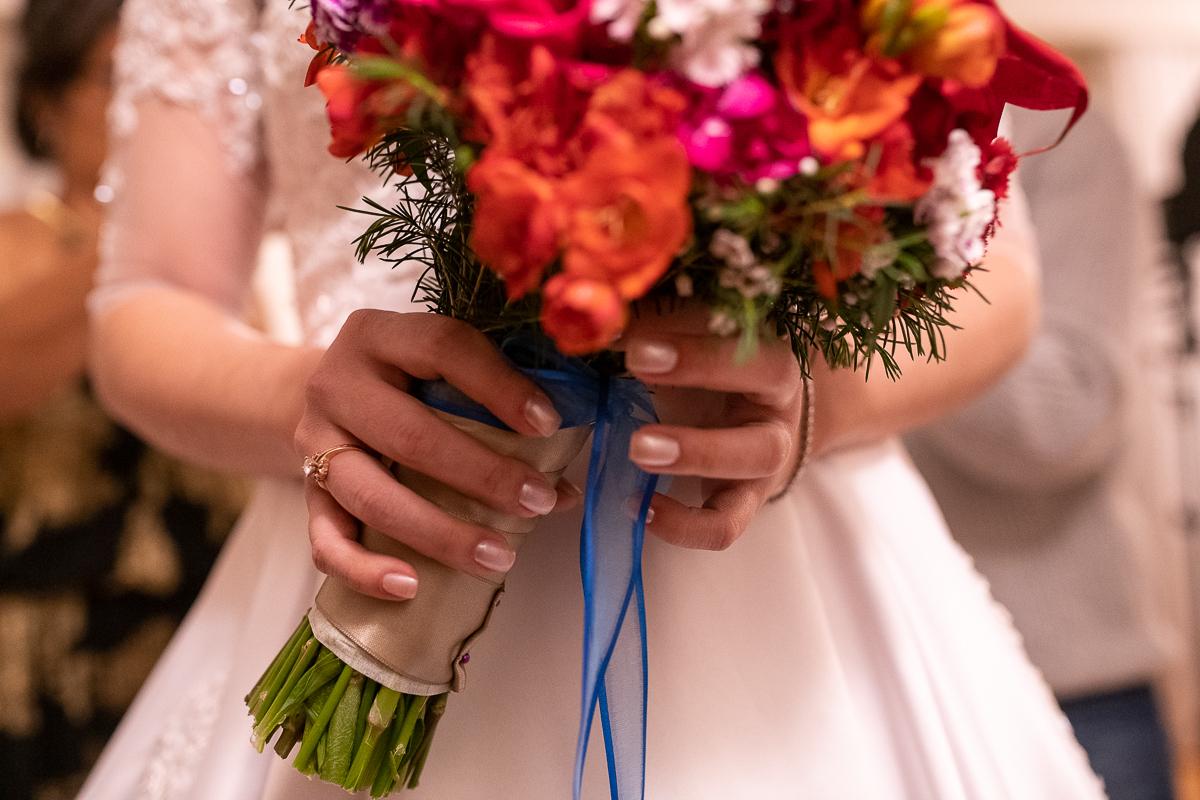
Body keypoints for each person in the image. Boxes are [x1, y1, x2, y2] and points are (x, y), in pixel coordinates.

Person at [75, 0, 1106, 798]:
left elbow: (1001, 279)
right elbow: (148, 296)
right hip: (379, 536)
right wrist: (321, 402)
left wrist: (814, 402)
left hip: (778, 580)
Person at [0, 1, 249, 797]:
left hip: (204, 615)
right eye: (123, 77)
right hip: (55, 642)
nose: (155, 102)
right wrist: (166, 222)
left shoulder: (235, 268)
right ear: (45, 103)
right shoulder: (18, 241)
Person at [904, 108, 1188, 800]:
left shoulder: (1058, 130)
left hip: (1068, 679)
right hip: (875, 675)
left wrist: (881, 272)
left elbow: (1062, 423)